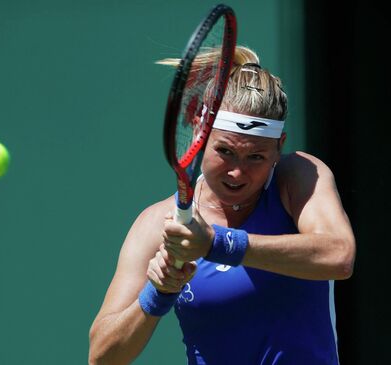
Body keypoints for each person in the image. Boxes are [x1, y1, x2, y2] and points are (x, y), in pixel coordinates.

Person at [89, 46, 356, 365]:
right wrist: (158, 292)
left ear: (278, 148)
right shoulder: (157, 222)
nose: (237, 172)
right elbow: (102, 356)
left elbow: (339, 255)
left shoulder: (297, 176)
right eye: (226, 151)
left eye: (255, 156)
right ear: (201, 135)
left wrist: (217, 244)